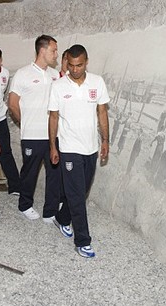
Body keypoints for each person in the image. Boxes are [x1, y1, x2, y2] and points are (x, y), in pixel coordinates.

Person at [48, 44, 110, 258]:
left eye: (79, 65)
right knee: (76, 195)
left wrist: (105, 141)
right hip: (69, 148)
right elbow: (53, 117)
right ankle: (83, 240)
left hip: (90, 148)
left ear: (86, 62)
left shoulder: (97, 82)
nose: (74, 69)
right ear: (67, 63)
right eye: (71, 65)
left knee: (80, 193)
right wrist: (53, 146)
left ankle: (62, 218)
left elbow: (102, 113)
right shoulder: (58, 87)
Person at [8, 34, 61, 222]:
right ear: (42, 50)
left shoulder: (56, 75)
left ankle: (50, 211)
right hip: (32, 135)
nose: (56, 54)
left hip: (53, 135)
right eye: (53, 50)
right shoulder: (23, 74)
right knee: (29, 173)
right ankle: (25, 205)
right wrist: (26, 122)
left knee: (54, 173)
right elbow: (12, 103)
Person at [0, 47, 21, 195]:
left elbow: (2, 95)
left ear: (0, 61)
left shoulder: (5, 74)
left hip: (0, 119)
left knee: (5, 152)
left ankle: (15, 186)